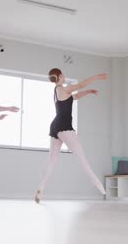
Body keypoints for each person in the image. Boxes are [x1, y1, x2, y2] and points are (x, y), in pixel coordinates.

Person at [34, 68, 108, 203]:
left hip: (56, 126)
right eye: (63, 75)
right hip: (65, 127)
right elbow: (79, 85)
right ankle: (97, 183)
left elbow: (75, 96)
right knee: (81, 158)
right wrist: (95, 77)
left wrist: (88, 92)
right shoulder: (63, 88)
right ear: (60, 76)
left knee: (51, 160)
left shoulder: (58, 92)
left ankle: (40, 189)